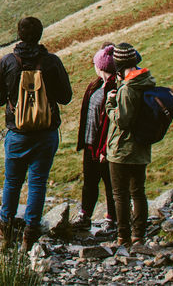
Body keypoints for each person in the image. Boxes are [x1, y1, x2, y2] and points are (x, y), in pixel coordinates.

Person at [0, 16, 73, 250]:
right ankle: (30, 233)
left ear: (19, 35)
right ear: (40, 35)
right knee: (38, 183)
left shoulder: (8, 62)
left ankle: (6, 229)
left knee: (12, 182)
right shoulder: (52, 62)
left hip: (17, 132)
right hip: (46, 133)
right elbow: (66, 97)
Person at [105, 42, 153, 251]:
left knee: (120, 194)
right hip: (141, 148)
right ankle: (139, 235)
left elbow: (122, 120)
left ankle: (123, 236)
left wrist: (109, 104)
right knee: (138, 192)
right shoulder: (147, 82)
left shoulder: (128, 88)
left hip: (121, 149)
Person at [74, 44, 117, 236]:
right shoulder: (96, 85)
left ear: (101, 66)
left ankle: (111, 219)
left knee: (110, 183)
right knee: (90, 181)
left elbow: (110, 122)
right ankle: (85, 215)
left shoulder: (114, 88)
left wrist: (105, 148)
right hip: (91, 144)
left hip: (104, 146)